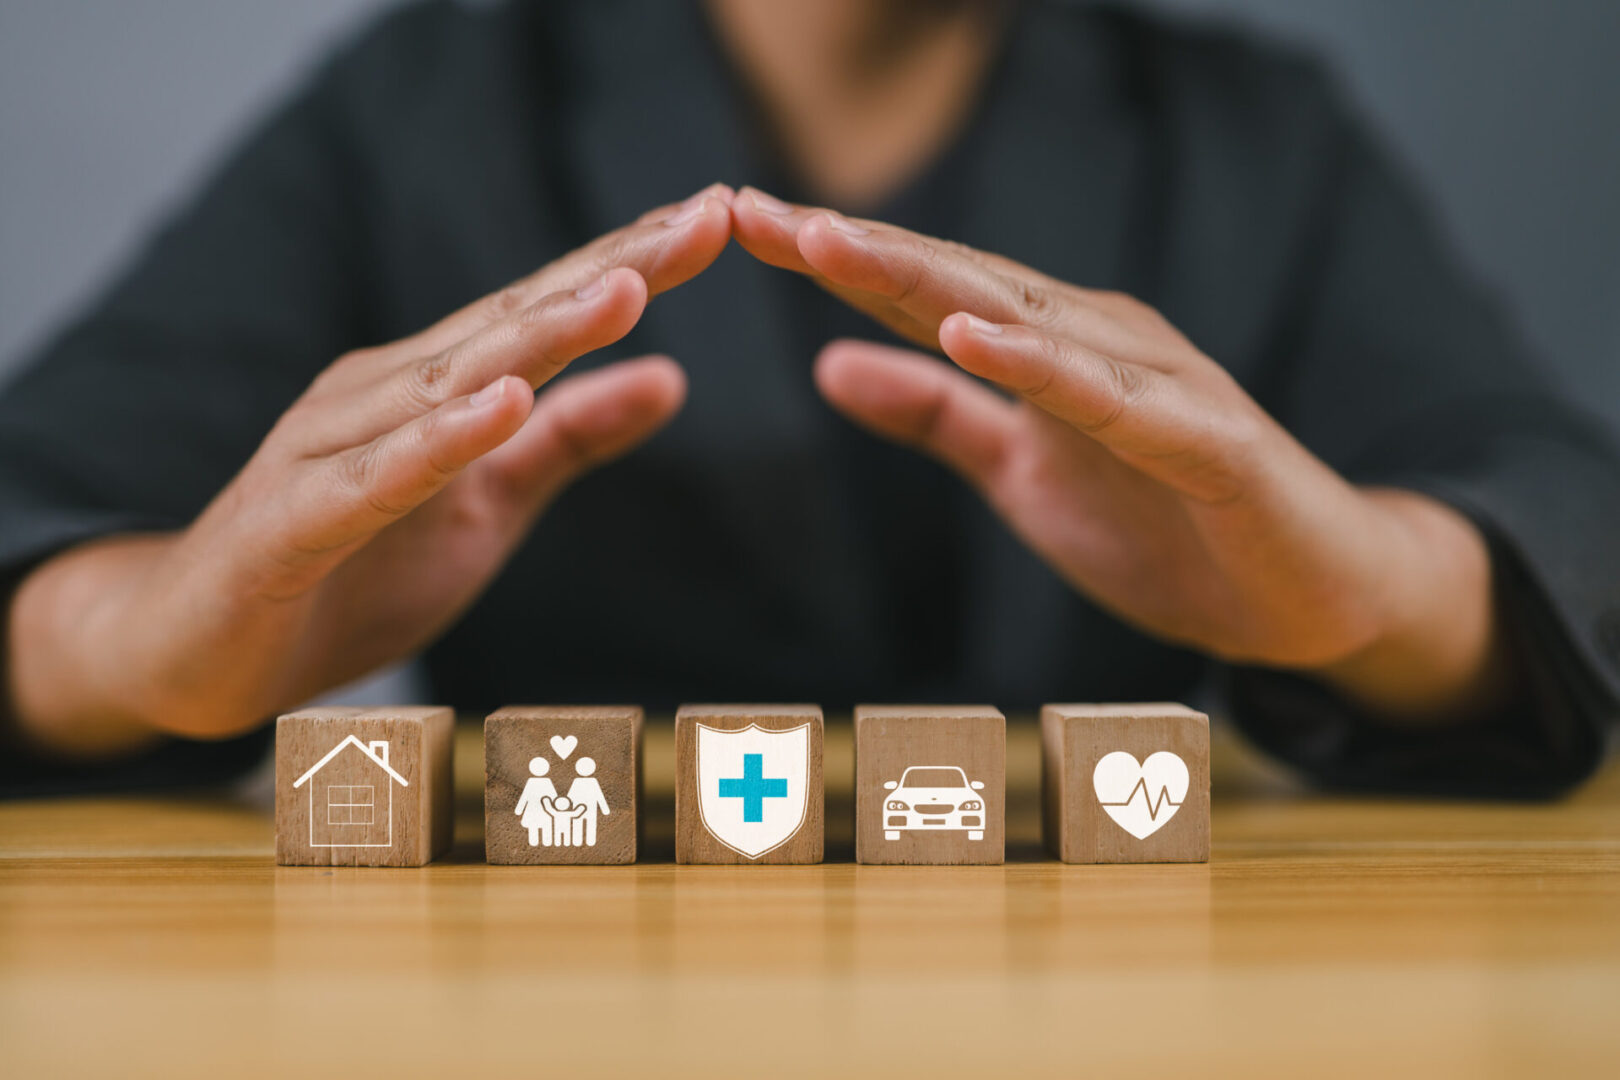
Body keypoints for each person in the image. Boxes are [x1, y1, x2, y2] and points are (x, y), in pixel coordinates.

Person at [1, 0, 1617, 799]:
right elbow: (38, 490)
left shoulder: (1250, 128)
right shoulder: (421, 102)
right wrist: (136, 645)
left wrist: (1372, 592)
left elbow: (1561, 497)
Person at [514, 757, 560, 847]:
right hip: (541, 809)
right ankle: (545, 842)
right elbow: (553, 797)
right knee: (542, 826)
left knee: (536, 826)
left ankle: (539, 842)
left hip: (537, 809)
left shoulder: (537, 782)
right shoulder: (545, 782)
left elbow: (525, 797)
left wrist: (519, 809)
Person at [566, 757, 612, 847]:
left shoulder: (586, 781)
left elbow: (599, 796)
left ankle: (584, 840)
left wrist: (604, 808)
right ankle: (581, 840)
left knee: (586, 824)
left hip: (586, 809)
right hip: (580, 809)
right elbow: (571, 797)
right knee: (581, 824)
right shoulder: (578, 782)